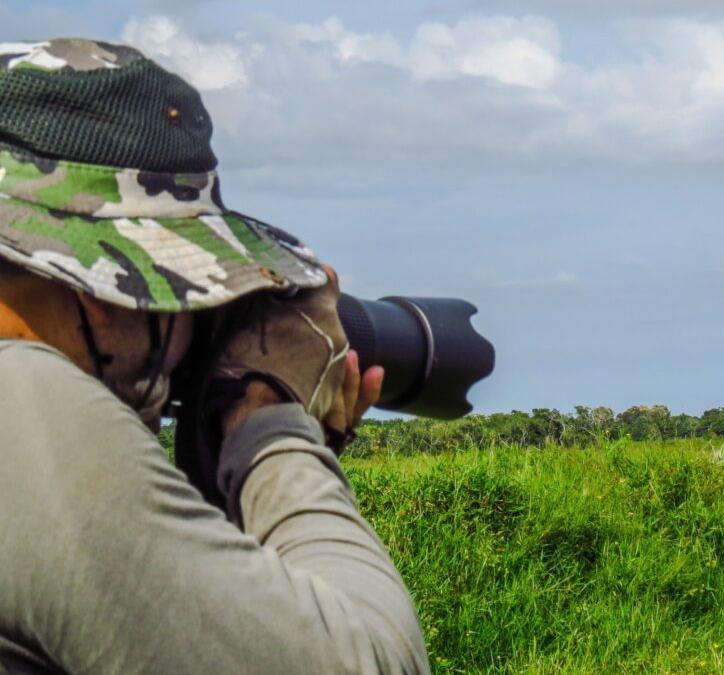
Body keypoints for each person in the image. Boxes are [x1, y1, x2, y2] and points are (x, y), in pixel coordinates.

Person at [0, 38, 431, 674]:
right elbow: (372, 664)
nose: (191, 329)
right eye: (184, 294)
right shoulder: (25, 402)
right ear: (107, 296)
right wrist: (272, 428)